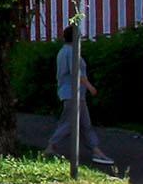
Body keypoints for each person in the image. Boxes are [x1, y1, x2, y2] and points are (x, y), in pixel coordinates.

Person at [46, 21, 118, 173]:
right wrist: (90, 87)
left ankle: (96, 150)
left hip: (70, 93)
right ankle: (51, 146)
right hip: (74, 93)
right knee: (70, 122)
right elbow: (76, 72)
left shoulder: (62, 52)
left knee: (84, 123)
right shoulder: (72, 52)